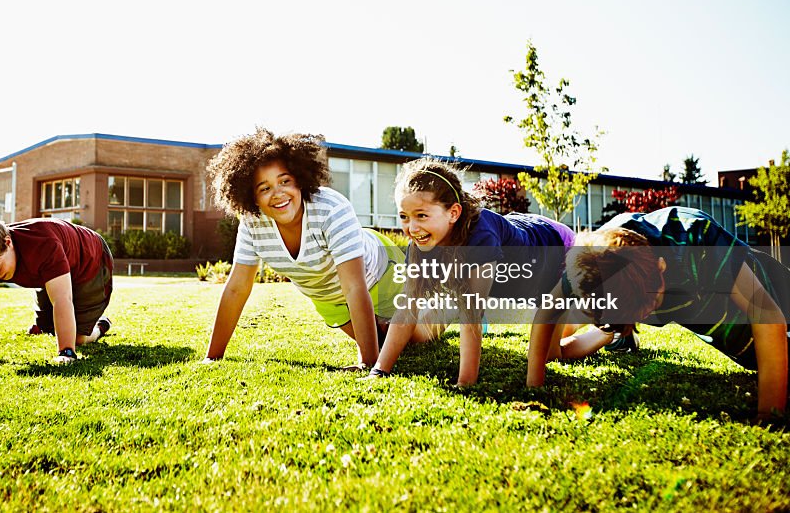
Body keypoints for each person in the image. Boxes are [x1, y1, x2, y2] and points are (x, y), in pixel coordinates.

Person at [526, 206, 789, 423]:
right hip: (735, 341)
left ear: (661, 266)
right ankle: (619, 336)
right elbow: (548, 308)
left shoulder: (695, 240)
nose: (649, 313)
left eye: (651, 304)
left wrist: (769, 416)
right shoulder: (591, 266)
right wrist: (533, 386)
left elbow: (767, 316)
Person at [203, 129, 438, 369]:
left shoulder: (330, 209)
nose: (278, 193)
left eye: (285, 181)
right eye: (264, 188)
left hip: (380, 273)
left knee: (416, 340)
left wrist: (367, 364)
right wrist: (212, 357)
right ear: (252, 197)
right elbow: (236, 289)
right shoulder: (252, 223)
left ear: (300, 180)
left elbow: (354, 286)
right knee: (382, 339)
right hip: (329, 298)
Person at [369, 157, 573, 386]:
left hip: (554, 249)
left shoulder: (480, 235)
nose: (412, 228)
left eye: (421, 215)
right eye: (404, 217)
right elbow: (407, 308)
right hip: (519, 237)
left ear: (453, 213)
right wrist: (379, 370)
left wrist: (465, 383)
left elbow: (471, 316)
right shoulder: (420, 244)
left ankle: (608, 335)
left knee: (554, 354)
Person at [0, 214, 113, 365]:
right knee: (50, 329)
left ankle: (100, 326)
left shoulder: (43, 244)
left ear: (8, 243)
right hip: (53, 272)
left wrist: (66, 352)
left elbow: (62, 299)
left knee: (77, 339)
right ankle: (48, 326)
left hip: (91, 262)